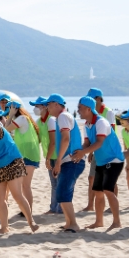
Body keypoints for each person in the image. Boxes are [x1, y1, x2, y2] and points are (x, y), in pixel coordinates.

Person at [73, 97, 124, 230]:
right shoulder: (87, 124)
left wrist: (83, 152)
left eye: (80, 108)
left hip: (114, 159)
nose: (78, 111)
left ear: (88, 109)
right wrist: (80, 151)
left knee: (108, 190)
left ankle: (117, 221)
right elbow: (88, 143)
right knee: (98, 192)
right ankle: (99, 221)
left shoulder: (101, 122)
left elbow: (99, 142)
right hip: (101, 160)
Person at [45, 94, 86, 233]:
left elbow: (65, 139)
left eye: (49, 105)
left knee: (62, 192)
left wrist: (58, 161)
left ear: (57, 104)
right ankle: (69, 223)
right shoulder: (61, 118)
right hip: (70, 160)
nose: (47, 108)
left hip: (72, 160)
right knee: (63, 192)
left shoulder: (63, 117)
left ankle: (73, 224)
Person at [2, 101, 41, 214]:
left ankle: (28, 211)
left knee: (25, 185)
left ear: (14, 110)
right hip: (28, 155)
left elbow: (5, 130)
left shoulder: (22, 119)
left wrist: (9, 116)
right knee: (24, 185)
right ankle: (26, 210)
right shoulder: (24, 119)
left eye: (9, 111)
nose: (9, 114)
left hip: (28, 155)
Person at [82, 89, 117, 213]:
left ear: (98, 99)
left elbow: (111, 133)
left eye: (92, 98)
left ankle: (112, 206)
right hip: (97, 149)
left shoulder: (108, 112)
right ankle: (90, 205)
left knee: (110, 179)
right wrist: (91, 151)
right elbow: (91, 136)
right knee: (92, 178)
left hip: (109, 151)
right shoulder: (90, 114)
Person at [31, 97, 58, 214]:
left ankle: (59, 208)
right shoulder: (38, 122)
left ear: (45, 107)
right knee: (54, 183)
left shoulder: (51, 120)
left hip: (57, 156)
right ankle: (54, 208)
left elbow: (53, 142)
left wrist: (47, 159)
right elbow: (38, 140)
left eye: (37, 106)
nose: (35, 108)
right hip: (49, 155)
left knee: (59, 183)